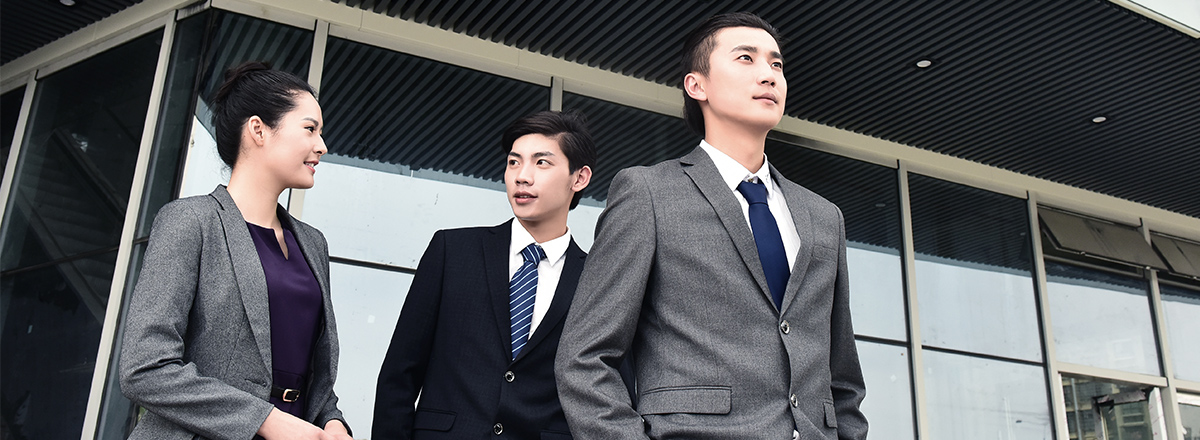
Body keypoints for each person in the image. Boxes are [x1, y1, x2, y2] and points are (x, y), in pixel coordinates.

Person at [555, 12, 868, 440]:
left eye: (776, 64)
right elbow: (584, 359)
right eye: (746, 58)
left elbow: (843, 378)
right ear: (696, 85)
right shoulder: (648, 193)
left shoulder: (824, 215)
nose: (769, 75)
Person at [119, 61, 352, 440]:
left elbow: (308, 372)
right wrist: (267, 420)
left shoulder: (313, 244)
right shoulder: (191, 221)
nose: (321, 146)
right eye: (310, 129)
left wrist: (331, 420)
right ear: (258, 130)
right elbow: (145, 368)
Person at [372, 111, 597, 439]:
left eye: (541, 163)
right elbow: (400, 374)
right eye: (514, 162)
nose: (522, 176)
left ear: (579, 178)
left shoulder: (597, 279)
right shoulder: (452, 251)